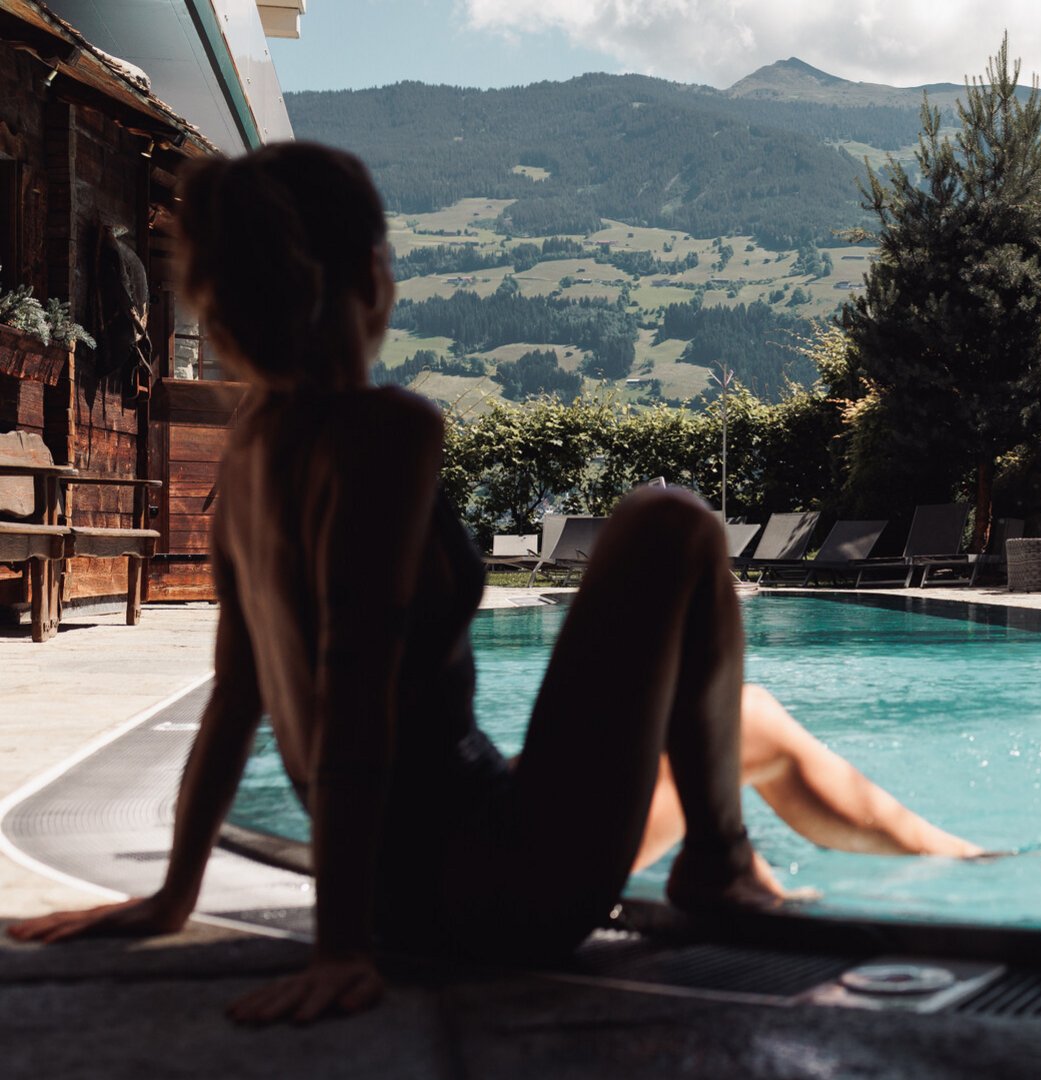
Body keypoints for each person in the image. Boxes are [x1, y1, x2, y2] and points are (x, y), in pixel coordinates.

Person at [4, 142, 976, 1025]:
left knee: (752, 720)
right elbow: (353, 696)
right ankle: (742, 868)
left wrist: (177, 894)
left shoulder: (253, 445)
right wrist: (340, 946)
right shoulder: (383, 431)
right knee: (671, 519)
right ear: (371, 276)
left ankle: (926, 863)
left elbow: (238, 695)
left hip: (423, 886)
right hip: (493, 889)